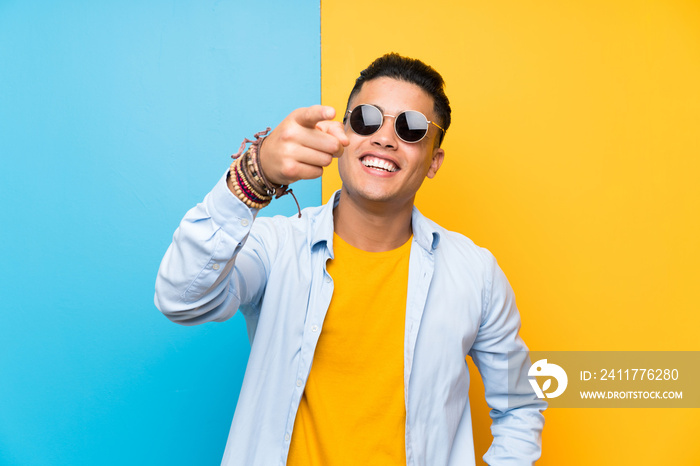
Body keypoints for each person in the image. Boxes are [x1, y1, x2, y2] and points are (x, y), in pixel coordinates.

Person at [155, 53, 546, 466]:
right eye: (367, 119)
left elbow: (519, 405)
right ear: (342, 134)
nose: (384, 138)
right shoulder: (275, 247)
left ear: (433, 161)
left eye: (411, 128)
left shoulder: (475, 274)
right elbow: (181, 299)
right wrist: (255, 176)